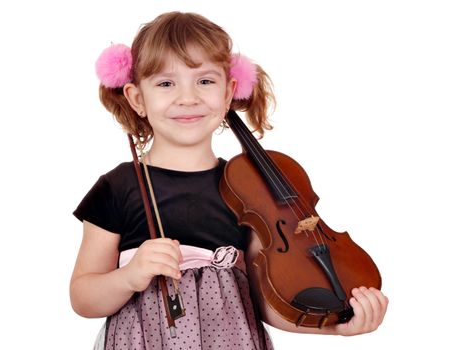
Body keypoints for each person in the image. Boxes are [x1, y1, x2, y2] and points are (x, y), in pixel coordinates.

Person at [70, 11, 388, 350]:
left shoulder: (249, 190)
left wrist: (334, 327)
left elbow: (265, 300)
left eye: (205, 81)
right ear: (137, 98)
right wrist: (129, 277)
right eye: (166, 83)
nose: (187, 97)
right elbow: (83, 297)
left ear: (228, 92)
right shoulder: (117, 187)